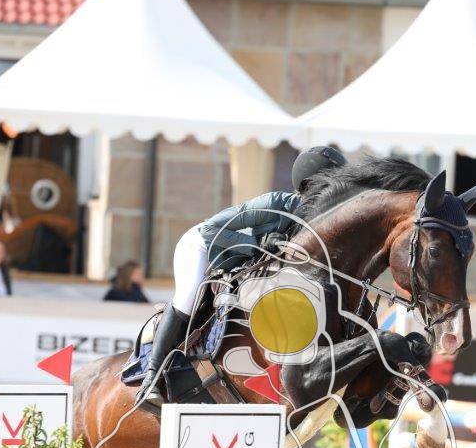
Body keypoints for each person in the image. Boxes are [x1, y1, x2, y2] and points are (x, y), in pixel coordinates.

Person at [137, 145, 348, 402]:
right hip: (203, 246)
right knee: (188, 299)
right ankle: (151, 377)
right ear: (310, 184)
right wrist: (258, 245)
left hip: (240, 263)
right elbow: (211, 229)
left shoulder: (317, 225)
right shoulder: (276, 203)